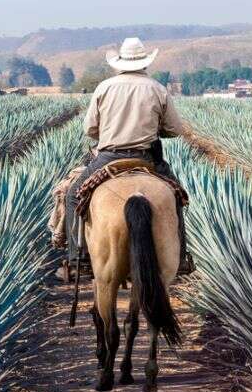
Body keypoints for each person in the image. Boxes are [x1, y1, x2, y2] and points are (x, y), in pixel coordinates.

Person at [61, 37, 192, 278]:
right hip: (147, 157)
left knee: (72, 195)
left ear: (120, 62)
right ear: (144, 63)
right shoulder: (157, 89)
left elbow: (90, 129)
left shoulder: (105, 88)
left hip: (108, 157)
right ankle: (181, 258)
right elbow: (174, 130)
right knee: (176, 197)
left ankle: (76, 256)